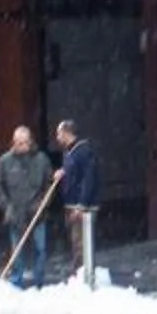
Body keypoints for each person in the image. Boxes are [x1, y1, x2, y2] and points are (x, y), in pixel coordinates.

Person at [0, 124, 55, 288]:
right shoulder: (5, 161)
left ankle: (39, 281)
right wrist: (7, 206)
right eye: (18, 143)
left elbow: (50, 184)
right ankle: (16, 281)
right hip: (15, 213)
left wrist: (42, 203)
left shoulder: (41, 160)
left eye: (24, 142)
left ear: (30, 141)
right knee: (17, 250)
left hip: (37, 213)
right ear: (13, 142)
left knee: (40, 249)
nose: (22, 146)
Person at [55, 118, 101, 277]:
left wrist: (82, 204)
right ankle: (79, 274)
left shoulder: (84, 152)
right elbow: (73, 173)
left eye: (59, 133)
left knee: (81, 244)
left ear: (67, 133)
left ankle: (84, 275)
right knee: (76, 244)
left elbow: (88, 179)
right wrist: (63, 172)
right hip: (71, 204)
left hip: (81, 207)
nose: (57, 137)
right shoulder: (69, 152)